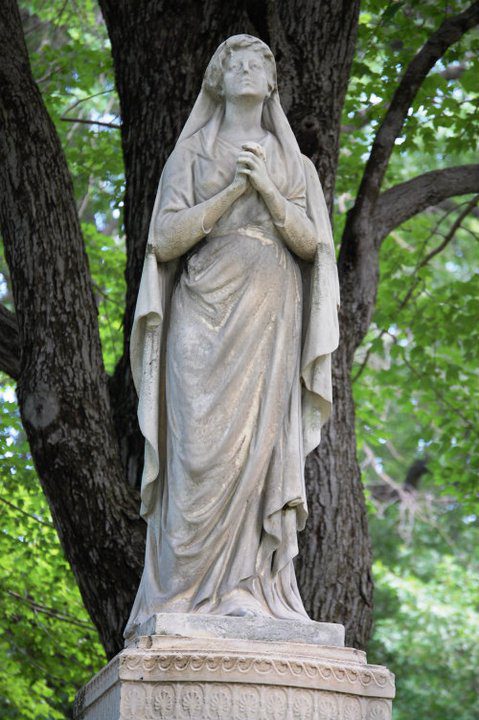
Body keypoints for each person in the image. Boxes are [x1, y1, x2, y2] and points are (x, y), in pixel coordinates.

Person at [125, 34, 339, 638]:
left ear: (271, 83)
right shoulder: (190, 155)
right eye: (234, 62)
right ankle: (181, 596)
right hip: (201, 309)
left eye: (259, 63)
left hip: (270, 312)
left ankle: (247, 586)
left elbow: (311, 244)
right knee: (197, 451)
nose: (246, 69)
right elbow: (164, 242)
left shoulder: (292, 162)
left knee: (257, 449)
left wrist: (268, 188)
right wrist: (229, 194)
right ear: (216, 80)